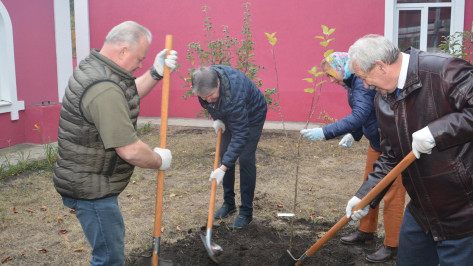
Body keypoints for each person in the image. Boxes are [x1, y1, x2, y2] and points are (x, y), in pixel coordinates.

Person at [53, 21, 178, 265]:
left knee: (111, 246)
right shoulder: (103, 87)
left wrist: (155, 72)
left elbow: (124, 96)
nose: (141, 64)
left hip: (90, 180)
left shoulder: (99, 69)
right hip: (91, 189)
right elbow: (130, 151)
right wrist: (159, 160)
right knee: (109, 258)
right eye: (140, 58)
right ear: (122, 51)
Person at [345, 34, 473, 265]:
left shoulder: (443, 71)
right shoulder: (383, 99)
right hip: (421, 212)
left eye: (365, 78)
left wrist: (437, 132)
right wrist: (364, 196)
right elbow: (391, 156)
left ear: (381, 66)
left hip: (464, 212)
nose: (365, 85)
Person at [300, 52, 406, 263]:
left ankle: (393, 245)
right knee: (368, 187)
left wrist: (326, 132)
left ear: (342, 67)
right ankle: (366, 232)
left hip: (394, 145)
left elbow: (358, 115)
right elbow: (368, 115)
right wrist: (355, 134)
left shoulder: (361, 83)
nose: (330, 79)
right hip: (377, 141)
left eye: (331, 74)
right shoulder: (353, 82)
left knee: (392, 195)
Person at [191, 65, 267, 229]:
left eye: (211, 95)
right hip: (229, 114)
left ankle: (246, 213)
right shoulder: (204, 86)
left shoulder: (234, 94)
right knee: (225, 153)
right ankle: (229, 203)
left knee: (245, 159)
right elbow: (210, 104)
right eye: (204, 97)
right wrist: (216, 118)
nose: (208, 100)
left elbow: (241, 135)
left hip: (253, 114)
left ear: (218, 83)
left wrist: (223, 168)